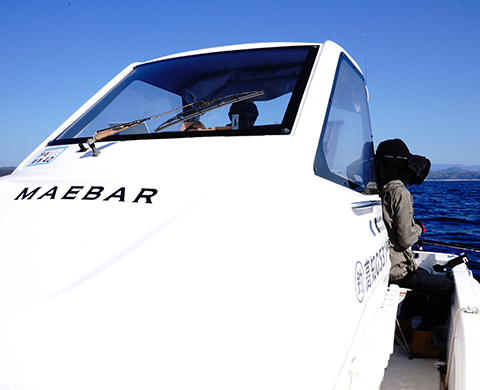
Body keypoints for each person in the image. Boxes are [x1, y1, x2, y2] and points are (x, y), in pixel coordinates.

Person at [375, 138, 454, 358]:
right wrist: (419, 227)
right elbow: (406, 238)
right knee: (445, 286)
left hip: (383, 267)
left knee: (423, 276)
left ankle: (403, 328)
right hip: (396, 269)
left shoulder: (375, 187)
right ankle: (422, 341)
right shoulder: (399, 191)